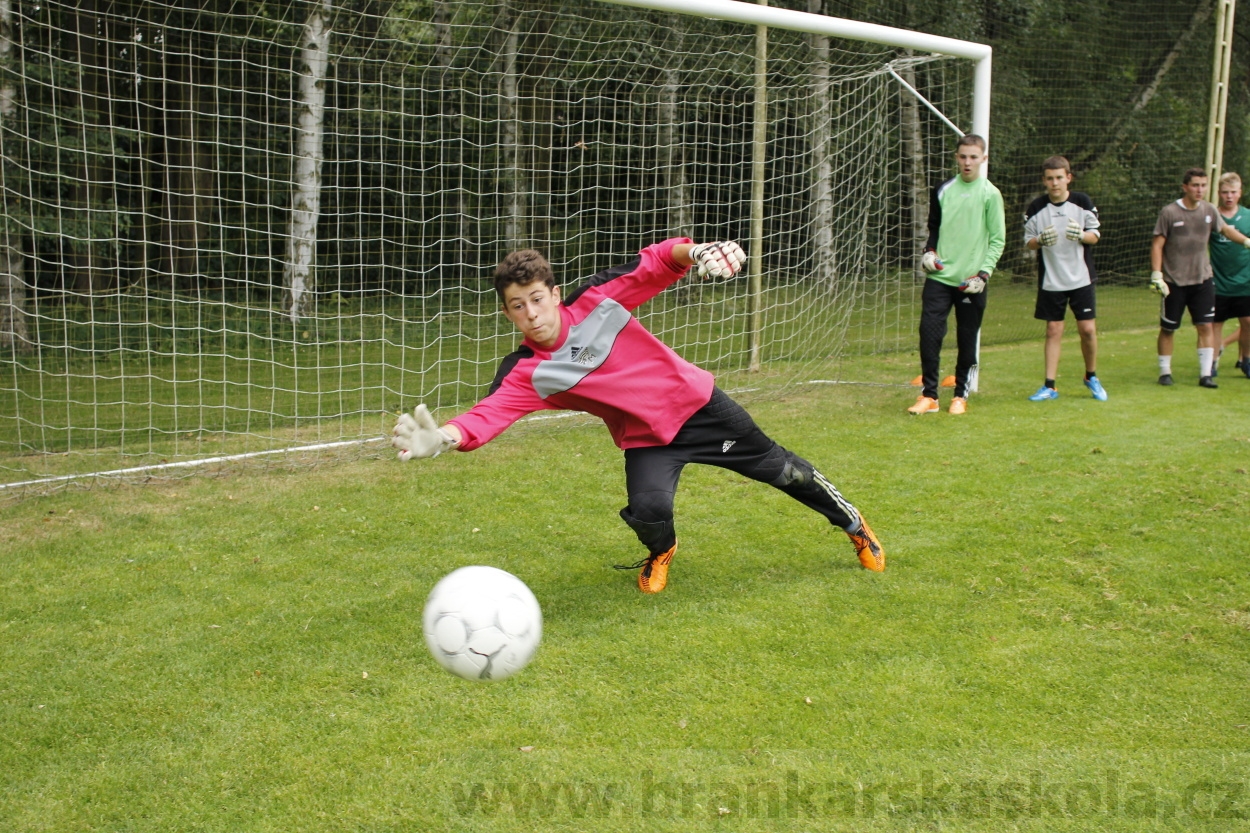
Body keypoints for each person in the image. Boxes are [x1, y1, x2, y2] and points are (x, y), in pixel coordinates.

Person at [390, 239, 884, 594]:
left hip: (701, 409)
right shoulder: (526, 372)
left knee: (786, 472)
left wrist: (699, 252)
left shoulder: (598, 301)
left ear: (555, 295)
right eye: (517, 307)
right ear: (508, 314)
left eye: (537, 299)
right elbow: (486, 415)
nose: (531, 313)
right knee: (648, 511)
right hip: (647, 439)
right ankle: (662, 551)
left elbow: (655, 262)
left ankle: (853, 525)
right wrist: (446, 438)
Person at [910, 134, 1006, 415]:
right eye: (963, 156)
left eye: (973, 157)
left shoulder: (990, 194)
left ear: (983, 159)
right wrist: (929, 252)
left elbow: (998, 240)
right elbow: (935, 229)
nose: (968, 162)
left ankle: (960, 394)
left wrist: (983, 275)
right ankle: (929, 396)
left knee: (967, 338)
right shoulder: (943, 190)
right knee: (929, 334)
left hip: (970, 283)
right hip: (940, 278)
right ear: (956, 157)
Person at [1149, 167, 1250, 388]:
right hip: (1174, 280)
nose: (1199, 189)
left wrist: (1245, 241)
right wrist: (1157, 274)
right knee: (1168, 328)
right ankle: (1165, 372)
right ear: (1185, 187)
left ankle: (1206, 374)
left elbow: (1225, 230)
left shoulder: (1209, 210)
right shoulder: (1170, 212)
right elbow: (1157, 245)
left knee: (1205, 326)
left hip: (1203, 280)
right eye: (1195, 185)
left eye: (1203, 185)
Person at [1022, 155, 1107, 401]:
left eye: (1059, 177)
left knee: (1088, 330)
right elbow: (1028, 242)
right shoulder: (1036, 208)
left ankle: (1091, 376)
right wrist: (1039, 241)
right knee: (1053, 330)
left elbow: (1095, 235)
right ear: (1044, 181)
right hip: (1052, 280)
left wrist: (1081, 235)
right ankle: (1050, 385)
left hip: (1081, 277)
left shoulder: (1082, 202)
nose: (1055, 183)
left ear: (1068, 178)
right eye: (1050, 178)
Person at [1209, 172, 1250, 379]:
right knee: (1216, 324)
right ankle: (1213, 361)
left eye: (1233, 192)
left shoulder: (1248, 217)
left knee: (1248, 322)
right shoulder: (1213, 216)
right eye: (1225, 192)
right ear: (1219, 193)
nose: (1229, 196)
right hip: (1218, 282)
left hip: (1245, 282)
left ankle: (1246, 360)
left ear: (1240, 193)